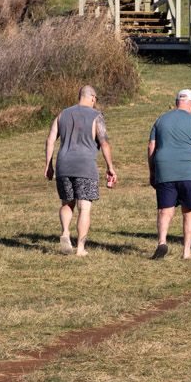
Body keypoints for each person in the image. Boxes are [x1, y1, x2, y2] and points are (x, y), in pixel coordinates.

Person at [45, 84, 116, 256]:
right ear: (92, 97)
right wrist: (110, 167)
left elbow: (50, 140)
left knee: (67, 202)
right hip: (85, 166)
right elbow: (104, 142)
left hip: (64, 165)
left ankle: (65, 233)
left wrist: (49, 165)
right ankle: (81, 248)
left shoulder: (63, 114)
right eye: (95, 99)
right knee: (84, 207)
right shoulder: (96, 116)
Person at [147, 87, 191, 260]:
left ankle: (162, 242)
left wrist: (152, 171)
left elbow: (151, 147)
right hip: (188, 170)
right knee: (189, 210)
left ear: (177, 102)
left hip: (164, 168)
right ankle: (186, 252)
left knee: (165, 210)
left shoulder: (160, 120)